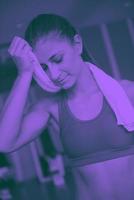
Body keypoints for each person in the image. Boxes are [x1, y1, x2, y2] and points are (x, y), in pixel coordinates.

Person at [0, 13, 134, 200]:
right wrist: (24, 73)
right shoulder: (50, 107)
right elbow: (4, 142)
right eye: (44, 67)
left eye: (57, 59)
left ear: (77, 44)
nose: (54, 74)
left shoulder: (127, 92)